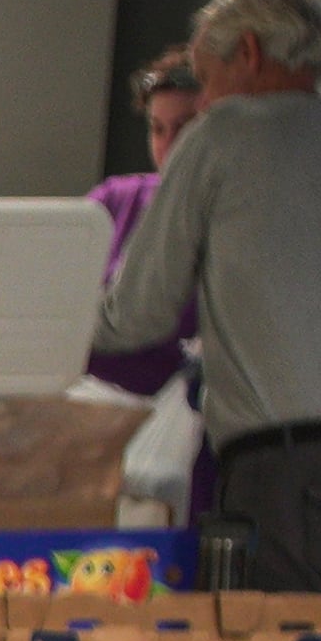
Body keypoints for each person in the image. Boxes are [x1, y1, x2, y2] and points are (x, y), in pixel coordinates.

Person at [98, 0, 321, 604]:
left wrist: (33, 328)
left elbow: (138, 314)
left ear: (250, 53)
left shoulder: (221, 139)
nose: (204, 102)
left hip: (283, 473)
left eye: (207, 80)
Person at [87, 44, 203, 396]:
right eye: (157, 129)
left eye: (184, 127)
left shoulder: (233, 220)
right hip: (88, 394)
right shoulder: (115, 200)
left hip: (178, 404)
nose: (168, 145)